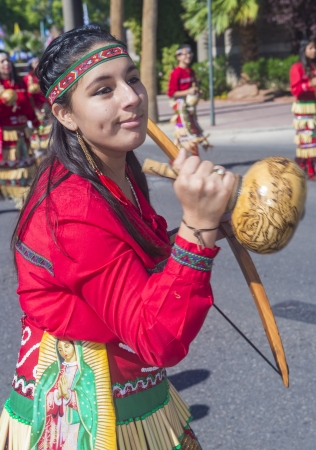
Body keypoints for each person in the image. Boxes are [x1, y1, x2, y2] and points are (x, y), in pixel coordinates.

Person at [0, 25, 234, 450]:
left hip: (135, 398)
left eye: (131, 79)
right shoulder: (71, 209)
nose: (131, 98)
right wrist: (197, 229)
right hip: (87, 418)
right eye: (103, 90)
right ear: (65, 114)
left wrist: (211, 219)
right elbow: (156, 336)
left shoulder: (117, 170)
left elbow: (142, 267)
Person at [0, 50, 40, 207]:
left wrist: (35, 122)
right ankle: (10, 195)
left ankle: (23, 197)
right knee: (7, 166)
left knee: (25, 165)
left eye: (7, 61)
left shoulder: (20, 83)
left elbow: (28, 107)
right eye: (2, 61)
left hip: (23, 132)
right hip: (5, 134)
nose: (5, 64)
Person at [168, 44, 212, 156]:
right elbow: (171, 93)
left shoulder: (191, 71)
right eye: (184, 54)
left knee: (194, 132)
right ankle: (178, 161)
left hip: (191, 108)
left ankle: (191, 160)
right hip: (181, 108)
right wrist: (188, 92)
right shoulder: (176, 73)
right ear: (178, 57)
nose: (188, 56)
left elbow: (194, 87)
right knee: (184, 134)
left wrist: (198, 92)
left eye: (189, 53)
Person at [290, 39, 316, 179]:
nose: (314, 51)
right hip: (304, 107)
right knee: (307, 138)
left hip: (315, 106)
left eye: (315, 48)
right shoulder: (297, 67)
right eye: (311, 48)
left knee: (314, 138)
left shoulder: (314, 67)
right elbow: (295, 90)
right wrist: (310, 83)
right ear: (304, 50)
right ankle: (305, 166)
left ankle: (310, 165)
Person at [23, 57, 51, 156]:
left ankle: (49, 151)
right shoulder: (27, 78)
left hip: (47, 106)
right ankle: (39, 152)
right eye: (35, 62)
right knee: (37, 129)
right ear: (31, 65)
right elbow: (26, 95)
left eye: (39, 61)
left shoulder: (44, 76)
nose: (38, 63)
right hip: (35, 108)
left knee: (48, 129)